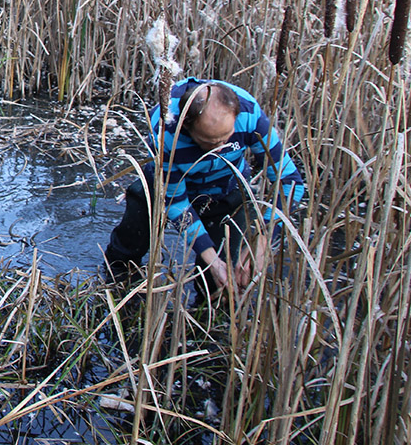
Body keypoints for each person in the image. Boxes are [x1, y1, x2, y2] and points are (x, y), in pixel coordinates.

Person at [103, 78, 305, 296]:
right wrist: (211, 258)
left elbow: (290, 182)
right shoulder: (168, 131)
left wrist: (261, 242)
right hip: (166, 188)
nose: (219, 149)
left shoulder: (250, 115)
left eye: (225, 138)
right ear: (188, 128)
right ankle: (116, 291)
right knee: (127, 249)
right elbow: (176, 204)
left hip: (225, 188)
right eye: (209, 142)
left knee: (219, 280)